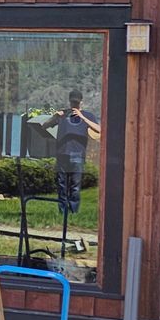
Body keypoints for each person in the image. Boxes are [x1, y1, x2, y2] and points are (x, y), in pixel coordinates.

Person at [53, 91, 100, 224]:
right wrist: (54, 117)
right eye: (73, 102)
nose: (74, 104)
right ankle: (62, 212)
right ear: (69, 101)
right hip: (62, 154)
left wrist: (82, 117)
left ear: (81, 102)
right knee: (62, 184)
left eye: (77, 103)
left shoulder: (87, 115)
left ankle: (74, 212)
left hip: (77, 155)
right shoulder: (63, 114)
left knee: (75, 186)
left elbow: (100, 130)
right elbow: (44, 126)